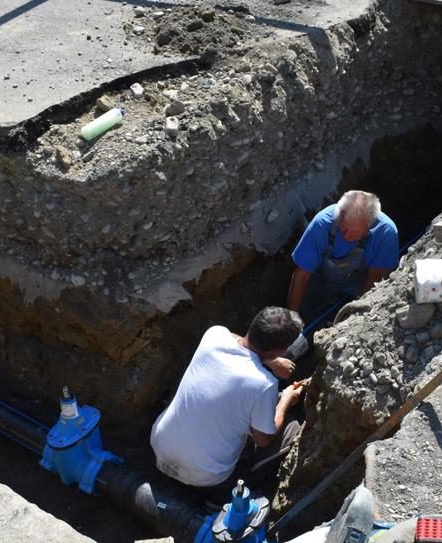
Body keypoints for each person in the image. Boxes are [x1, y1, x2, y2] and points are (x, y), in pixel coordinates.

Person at [150, 307, 305, 496]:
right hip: (207, 479)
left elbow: (233, 337)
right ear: (278, 351)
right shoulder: (264, 383)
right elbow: (263, 440)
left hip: (160, 449)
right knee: (291, 428)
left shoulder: (213, 335)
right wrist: (286, 400)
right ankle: (223, 497)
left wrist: (271, 361)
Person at [287, 190, 399, 321]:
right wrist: (292, 320)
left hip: (357, 285)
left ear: (370, 226)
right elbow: (301, 275)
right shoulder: (322, 223)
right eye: (343, 228)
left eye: (354, 232)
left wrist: (351, 318)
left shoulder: (386, 232)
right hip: (321, 283)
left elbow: (375, 276)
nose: (346, 236)